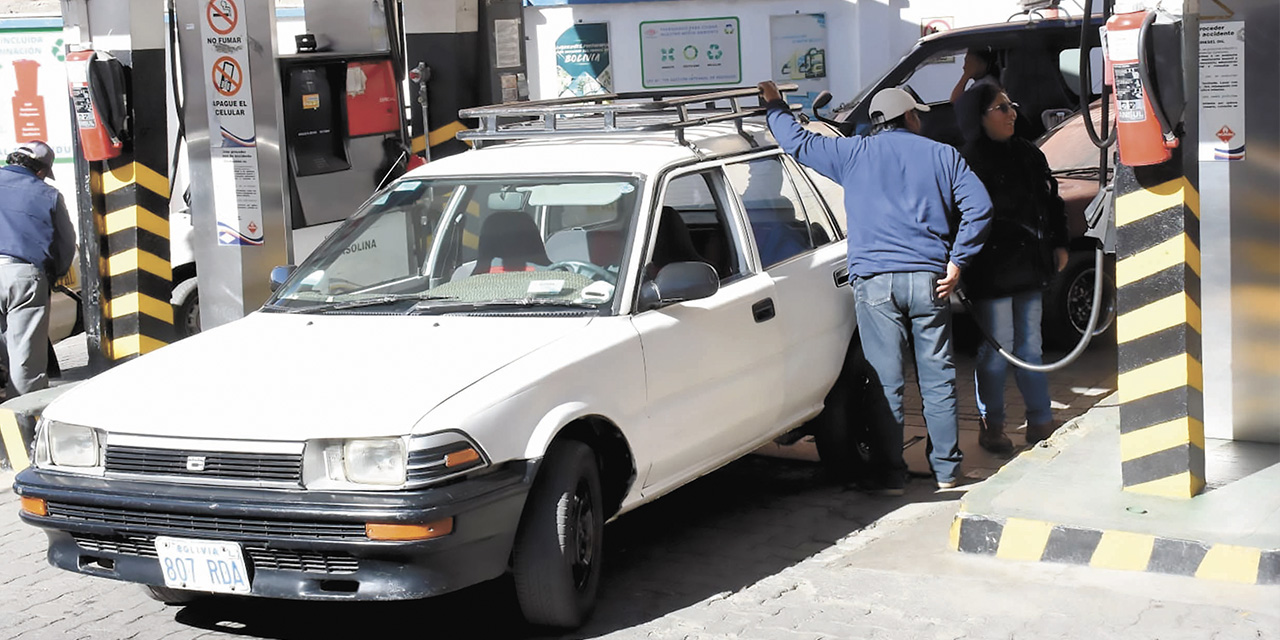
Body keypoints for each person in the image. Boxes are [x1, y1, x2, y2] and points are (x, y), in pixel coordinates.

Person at [758, 81, 992, 493]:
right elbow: (981, 207)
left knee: (886, 383)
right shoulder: (943, 155)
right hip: (930, 281)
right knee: (936, 379)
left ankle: (889, 476)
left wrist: (775, 105)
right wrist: (958, 261)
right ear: (910, 117)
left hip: (875, 284)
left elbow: (796, 141)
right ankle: (946, 472)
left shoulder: (852, 154)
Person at [954, 84, 1069, 452]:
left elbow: (1052, 201)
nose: (1011, 114)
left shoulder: (1028, 153)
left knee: (1031, 348)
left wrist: (1060, 242)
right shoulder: (966, 161)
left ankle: (1040, 420)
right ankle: (993, 425)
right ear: (980, 116)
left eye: (1011, 105)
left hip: (1030, 267)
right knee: (997, 348)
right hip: (991, 272)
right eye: (1001, 108)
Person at [0, 140, 75, 398]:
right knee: (25, 362)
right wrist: (56, 274)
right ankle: (22, 429)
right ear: (40, 170)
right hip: (23, 276)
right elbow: (65, 244)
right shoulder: (48, 195)